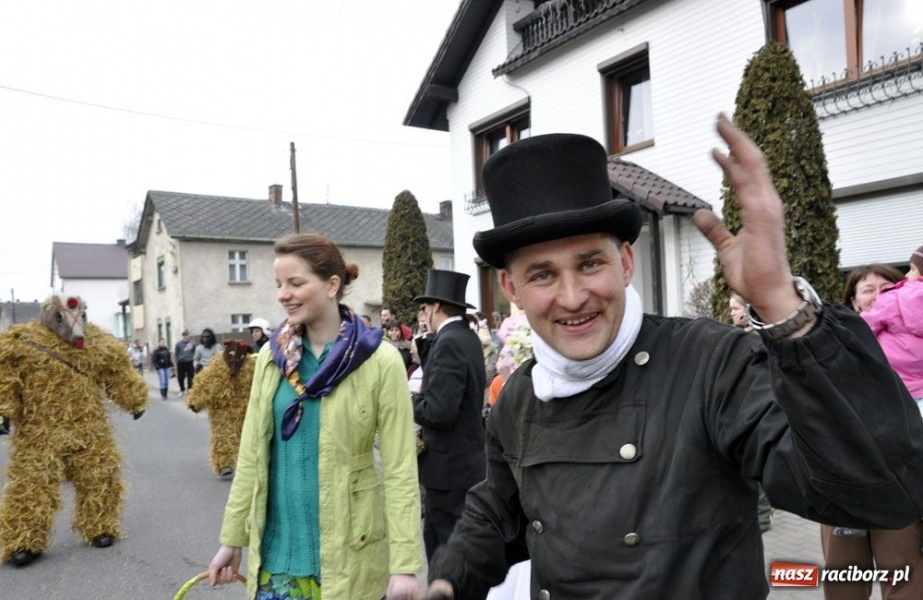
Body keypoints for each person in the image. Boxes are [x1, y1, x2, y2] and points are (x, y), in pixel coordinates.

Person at [416, 118, 923, 600]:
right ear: (512, 289)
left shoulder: (712, 364)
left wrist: (787, 312)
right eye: (543, 275)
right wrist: (449, 578)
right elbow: (497, 511)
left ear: (626, 262)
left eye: (590, 263)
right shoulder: (522, 395)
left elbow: (875, 493)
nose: (572, 298)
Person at [207, 233, 421, 600]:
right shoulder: (272, 361)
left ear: (332, 284)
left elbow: (401, 469)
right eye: (279, 284)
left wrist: (403, 566)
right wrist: (233, 537)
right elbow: (252, 458)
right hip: (275, 566)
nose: (282, 294)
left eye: (296, 283)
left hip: (349, 563)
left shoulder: (379, 360)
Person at [816, 254, 923, 599]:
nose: (878, 295)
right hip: (848, 480)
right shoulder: (835, 341)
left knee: (905, 577)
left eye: (887, 288)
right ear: (852, 301)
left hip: (901, 483)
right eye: (868, 290)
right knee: (846, 578)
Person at [412, 269, 487, 562]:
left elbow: (440, 412)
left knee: (447, 553)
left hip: (448, 470)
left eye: (424, 308)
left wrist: (410, 401)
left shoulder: (449, 342)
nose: (423, 314)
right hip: (463, 464)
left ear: (436, 307)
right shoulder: (465, 337)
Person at [174, 330, 197, 396]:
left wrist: (192, 358)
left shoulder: (192, 343)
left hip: (190, 362)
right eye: (184, 338)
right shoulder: (178, 344)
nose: (185, 339)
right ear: (182, 337)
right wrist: (177, 361)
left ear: (189, 337)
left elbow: (195, 351)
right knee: (180, 377)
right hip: (181, 362)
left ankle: (189, 389)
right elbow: (176, 353)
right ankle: (182, 389)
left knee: (191, 376)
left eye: (187, 337)